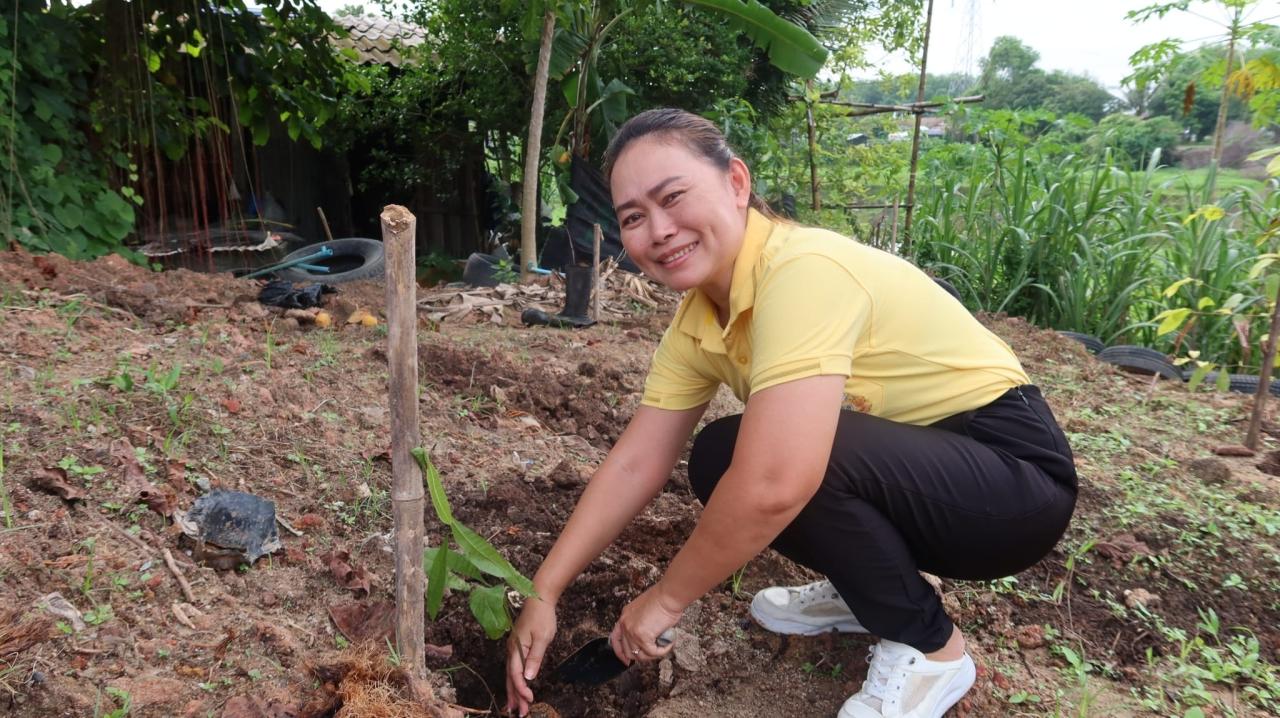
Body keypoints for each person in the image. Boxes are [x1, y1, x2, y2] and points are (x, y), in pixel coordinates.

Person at [504, 108, 1077, 718]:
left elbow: (778, 483)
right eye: (634, 218)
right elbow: (635, 464)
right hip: (926, 472)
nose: (660, 230)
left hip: (1012, 485)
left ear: (736, 183)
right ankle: (869, 592)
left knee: (771, 463)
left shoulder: (802, 271)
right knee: (721, 455)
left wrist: (665, 601)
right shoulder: (696, 321)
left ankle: (931, 649)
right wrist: (544, 589)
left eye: (674, 197)